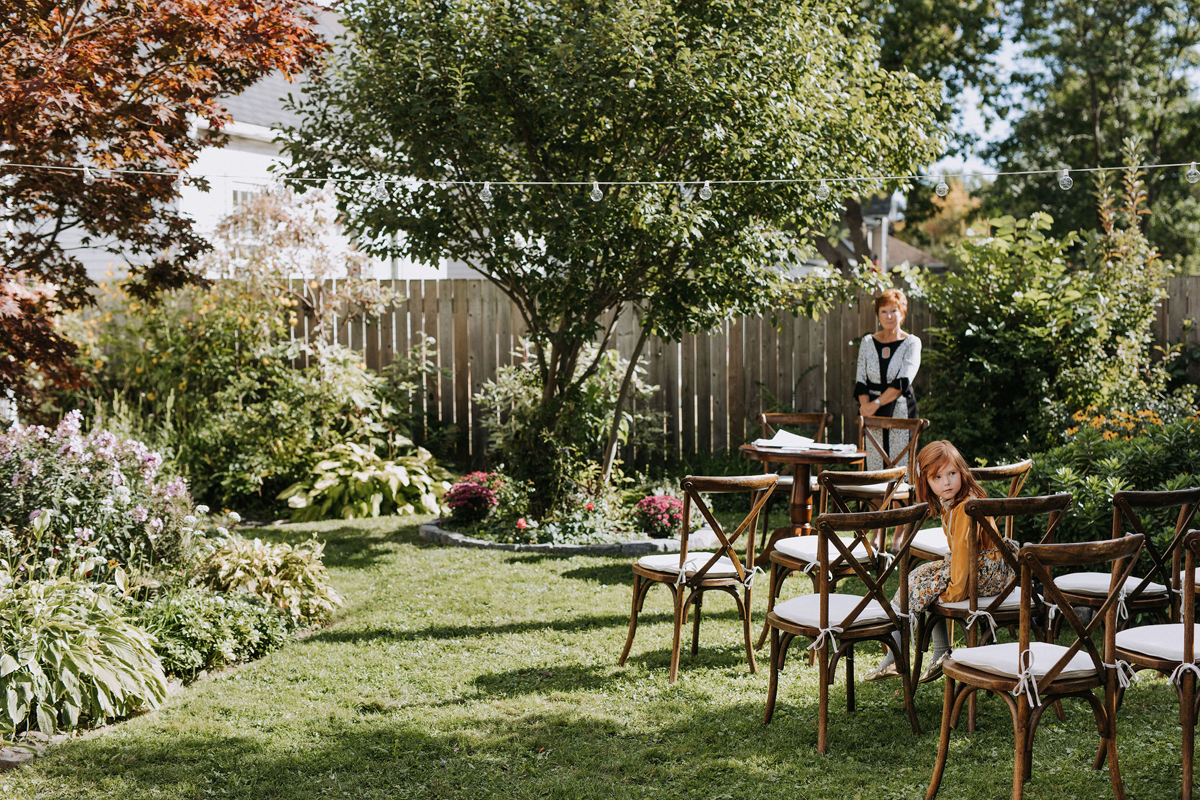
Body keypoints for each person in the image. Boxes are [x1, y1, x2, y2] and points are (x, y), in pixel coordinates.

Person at [864, 440, 1016, 684]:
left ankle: (898, 655)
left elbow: (964, 555)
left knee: (926, 584)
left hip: (988, 572)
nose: (946, 482)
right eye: (937, 477)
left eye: (952, 474)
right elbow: (959, 555)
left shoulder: (966, 507)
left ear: (961, 472)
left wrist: (954, 592)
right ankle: (934, 651)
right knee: (919, 577)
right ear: (926, 481)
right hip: (983, 569)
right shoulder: (952, 504)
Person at [854, 288, 921, 471]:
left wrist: (874, 405)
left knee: (901, 468)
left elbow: (902, 382)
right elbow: (861, 381)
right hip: (870, 413)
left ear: (902, 313)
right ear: (878, 314)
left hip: (901, 411)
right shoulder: (867, 342)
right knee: (874, 468)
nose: (889, 316)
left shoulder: (912, 343)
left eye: (894, 311)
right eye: (884, 311)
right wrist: (867, 410)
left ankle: (904, 491)